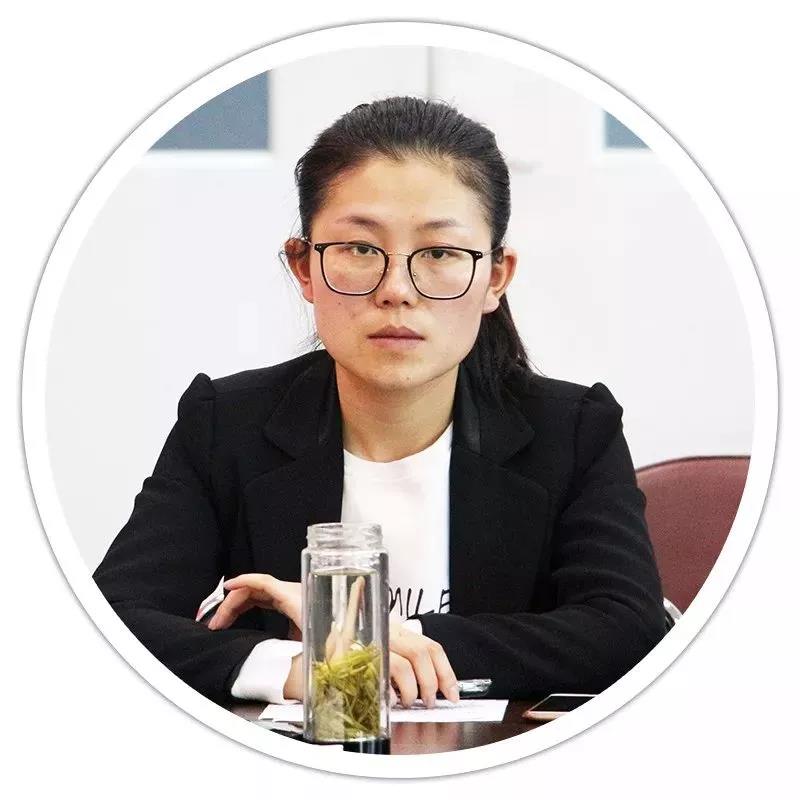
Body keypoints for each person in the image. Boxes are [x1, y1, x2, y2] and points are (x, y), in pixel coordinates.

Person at [93, 96, 667, 711]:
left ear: (496, 277)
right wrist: (297, 667)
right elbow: (110, 621)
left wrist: (363, 643)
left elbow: (626, 629)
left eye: (440, 253)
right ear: (304, 268)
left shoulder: (573, 431)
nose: (396, 291)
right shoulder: (227, 424)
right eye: (361, 249)